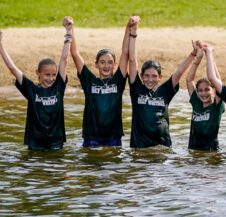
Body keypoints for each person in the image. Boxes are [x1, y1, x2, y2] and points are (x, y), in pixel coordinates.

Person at [0, 18, 72, 150]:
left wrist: (68, 32)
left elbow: (64, 59)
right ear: (38, 73)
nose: (50, 78)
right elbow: (12, 68)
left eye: (53, 75)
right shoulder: (31, 89)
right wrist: (0, 45)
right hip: (35, 144)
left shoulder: (59, 87)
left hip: (56, 143)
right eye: (47, 75)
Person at [128, 17, 198, 148]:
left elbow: (179, 72)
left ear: (160, 77)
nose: (150, 79)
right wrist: (133, 33)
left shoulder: (164, 91)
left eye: (154, 76)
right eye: (146, 76)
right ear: (141, 76)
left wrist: (193, 54)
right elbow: (132, 60)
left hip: (162, 148)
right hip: (140, 148)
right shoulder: (136, 88)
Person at [69, 16, 137, 148]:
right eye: (102, 62)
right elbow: (75, 54)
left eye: (110, 62)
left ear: (114, 65)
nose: (106, 66)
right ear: (96, 64)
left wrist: (128, 28)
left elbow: (125, 53)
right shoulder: (89, 81)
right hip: (91, 137)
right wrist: (70, 29)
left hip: (113, 137)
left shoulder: (118, 80)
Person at [186, 41, 224, 151]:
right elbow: (189, 80)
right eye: (200, 91)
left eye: (207, 89)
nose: (203, 93)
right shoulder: (196, 103)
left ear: (213, 91)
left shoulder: (217, 106)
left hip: (211, 152)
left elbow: (218, 82)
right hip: (193, 151)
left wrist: (209, 55)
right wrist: (198, 57)